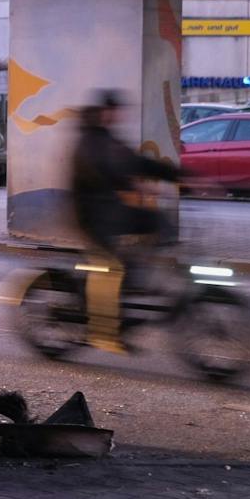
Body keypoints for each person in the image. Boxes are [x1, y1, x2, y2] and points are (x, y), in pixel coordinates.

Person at [69, 91, 179, 347]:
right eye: (116, 111)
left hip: (112, 211)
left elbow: (136, 162)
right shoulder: (90, 139)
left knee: (157, 221)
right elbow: (101, 169)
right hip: (91, 215)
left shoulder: (108, 138)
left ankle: (135, 275)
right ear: (105, 112)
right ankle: (103, 329)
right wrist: (132, 185)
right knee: (111, 266)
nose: (120, 116)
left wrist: (183, 176)